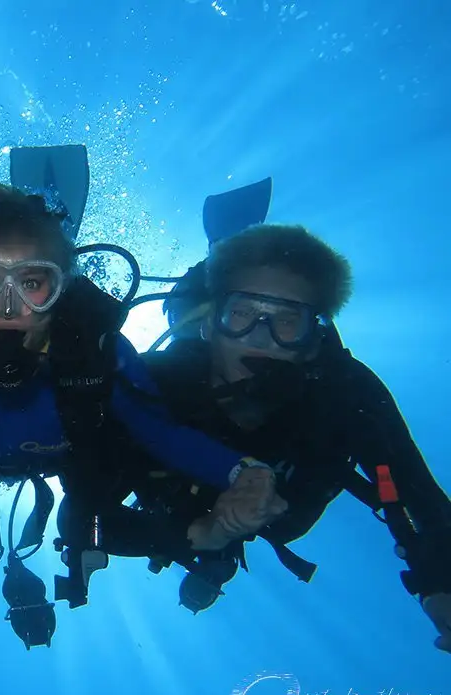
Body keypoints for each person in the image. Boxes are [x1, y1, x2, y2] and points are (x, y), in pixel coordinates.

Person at [0, 179, 286, 645]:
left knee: (87, 506)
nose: (9, 308)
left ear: (61, 288)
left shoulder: (98, 352)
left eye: (32, 284)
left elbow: (161, 432)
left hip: (69, 456)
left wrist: (242, 470)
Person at [109, 223, 451, 653]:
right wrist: (203, 532)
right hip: (182, 514)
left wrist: (438, 578)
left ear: (314, 341)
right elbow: (87, 517)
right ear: (208, 324)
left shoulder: (343, 393)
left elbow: (416, 492)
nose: (260, 334)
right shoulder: (154, 385)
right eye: (242, 312)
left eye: (288, 320)